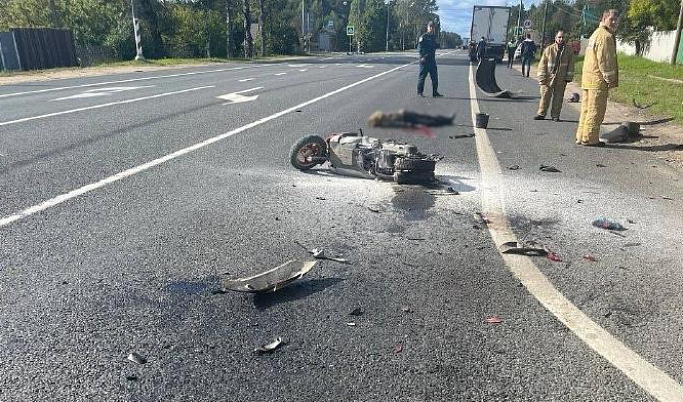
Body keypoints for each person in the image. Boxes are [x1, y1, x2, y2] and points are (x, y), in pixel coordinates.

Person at [575, 9, 620, 147]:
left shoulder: (595, 33)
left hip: (588, 79)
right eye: (611, 19)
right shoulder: (605, 36)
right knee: (596, 110)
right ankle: (590, 138)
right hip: (597, 81)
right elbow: (605, 61)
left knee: (586, 110)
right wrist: (610, 79)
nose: (614, 22)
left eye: (616, 19)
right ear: (604, 18)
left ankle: (581, 136)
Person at [534, 30, 575, 121]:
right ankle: (541, 114)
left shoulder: (569, 50)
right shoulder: (549, 49)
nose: (561, 39)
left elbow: (571, 65)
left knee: (558, 98)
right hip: (548, 78)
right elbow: (542, 64)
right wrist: (542, 77)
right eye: (559, 37)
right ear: (555, 38)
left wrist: (568, 77)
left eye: (563, 37)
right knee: (545, 96)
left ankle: (555, 115)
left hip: (561, 78)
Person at [417, 21, 442, 97]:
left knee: (435, 77)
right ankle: (420, 92)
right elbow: (419, 48)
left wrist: (438, 44)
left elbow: (436, 46)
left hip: (432, 60)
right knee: (422, 77)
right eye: (430, 26)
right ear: (427, 27)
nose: (431, 28)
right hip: (424, 60)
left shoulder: (434, 37)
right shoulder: (423, 37)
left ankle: (435, 92)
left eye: (432, 27)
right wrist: (422, 57)